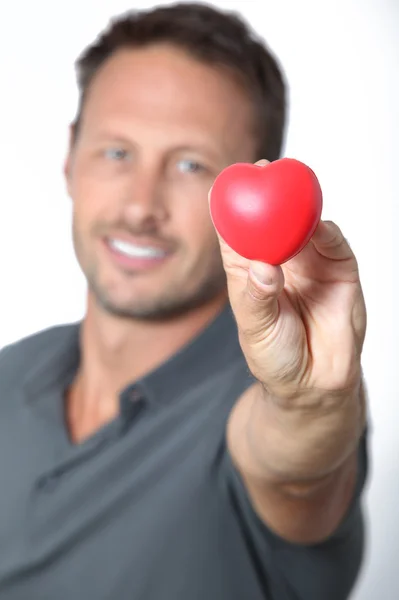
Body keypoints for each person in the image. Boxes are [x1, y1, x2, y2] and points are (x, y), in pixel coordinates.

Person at [0, 3, 368, 599]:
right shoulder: (8, 373)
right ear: (70, 156)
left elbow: (295, 471)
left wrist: (309, 406)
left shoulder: (268, 393)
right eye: (117, 153)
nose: (142, 206)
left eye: (192, 165)